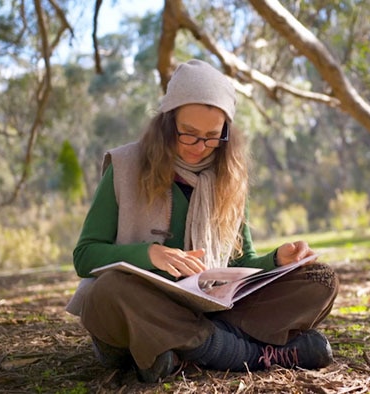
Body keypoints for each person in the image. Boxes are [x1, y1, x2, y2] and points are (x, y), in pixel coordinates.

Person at [66, 59, 339, 383]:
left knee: (321, 279)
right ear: (168, 123)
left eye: (212, 136)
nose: (200, 147)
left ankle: (182, 348)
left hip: (210, 309)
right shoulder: (125, 166)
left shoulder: (229, 178)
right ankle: (249, 354)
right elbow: (85, 256)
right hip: (137, 311)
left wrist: (277, 260)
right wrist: (150, 254)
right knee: (108, 291)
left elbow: (240, 263)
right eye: (189, 134)